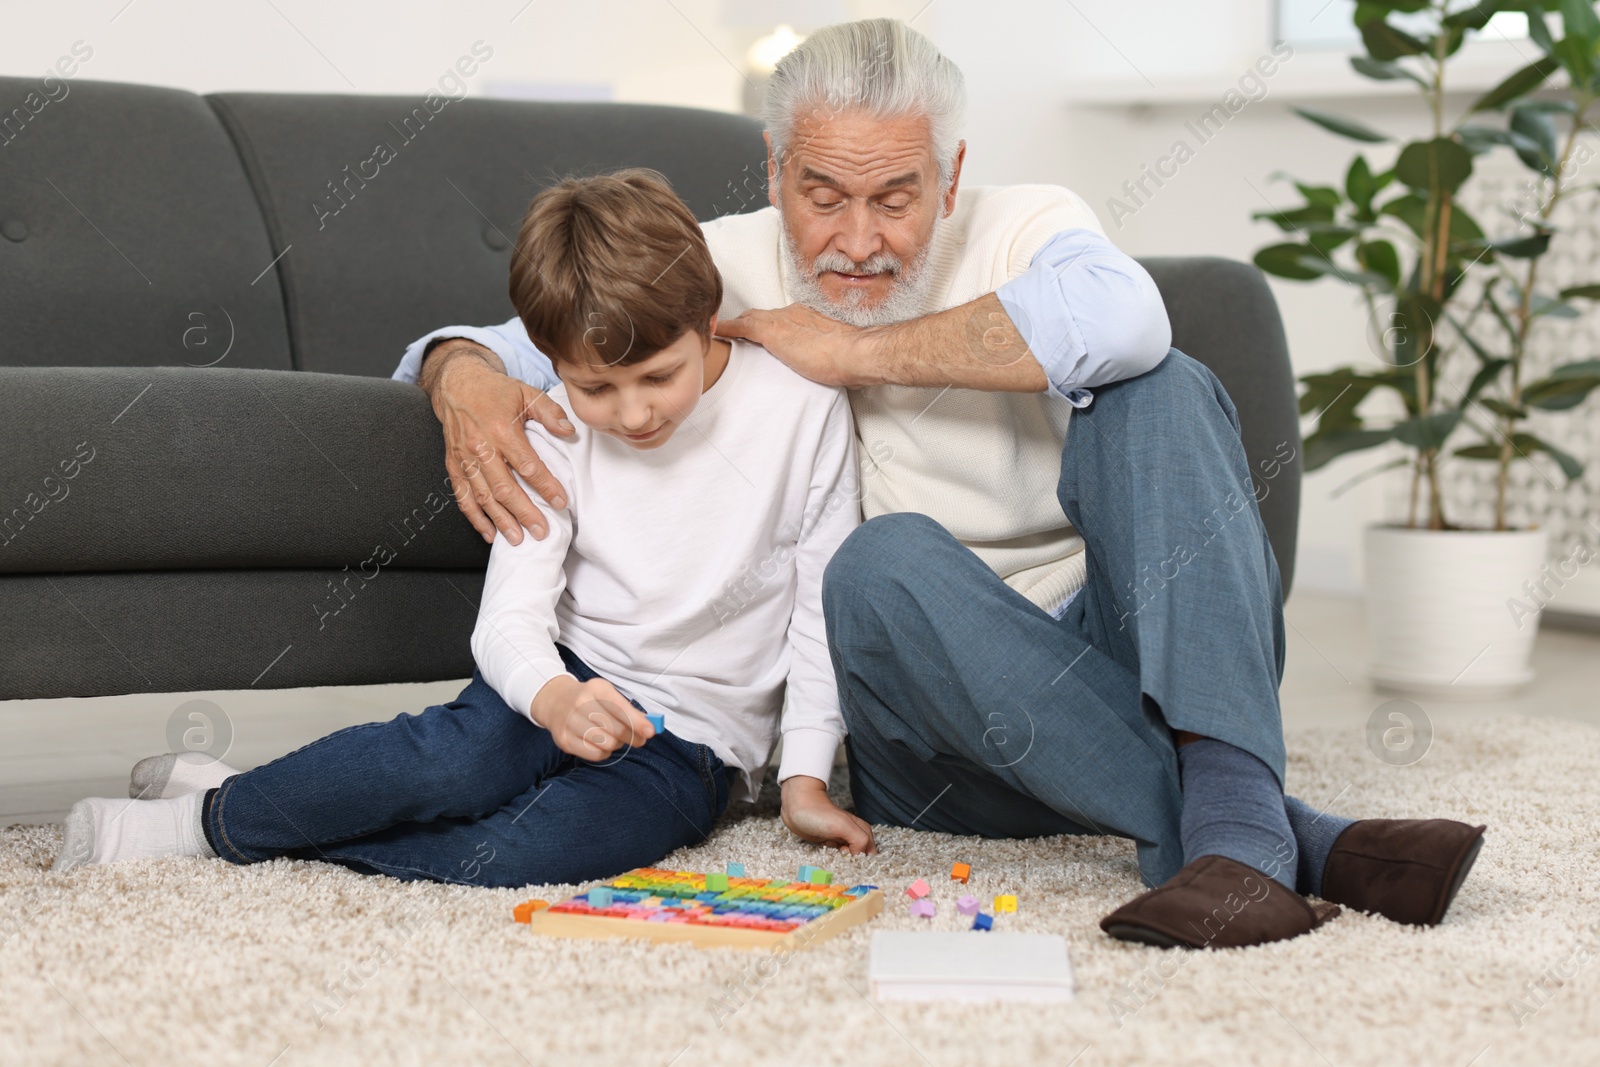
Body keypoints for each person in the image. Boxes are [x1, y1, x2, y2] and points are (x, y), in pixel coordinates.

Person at [393, 18, 1486, 947]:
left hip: (1127, 649)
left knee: (1160, 383)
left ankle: (1240, 828)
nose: (856, 241)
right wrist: (462, 376)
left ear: (952, 180)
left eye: (895, 199)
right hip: (935, 728)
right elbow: (521, 338)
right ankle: (1271, 829)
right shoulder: (715, 264)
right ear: (774, 173)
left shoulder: (1027, 223)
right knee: (879, 560)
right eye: (820, 195)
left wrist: (851, 348)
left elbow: (1127, 320)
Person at [52, 168, 871, 885]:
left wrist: (802, 776)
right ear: (549, 363)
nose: (632, 413)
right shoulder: (550, 422)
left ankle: (250, 804)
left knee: (527, 852)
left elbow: (815, 612)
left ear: (709, 321)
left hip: (691, 743)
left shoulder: (802, 407)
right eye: (596, 388)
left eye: (659, 376)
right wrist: (552, 696)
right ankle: (204, 823)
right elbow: (509, 620)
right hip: (557, 672)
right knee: (453, 761)